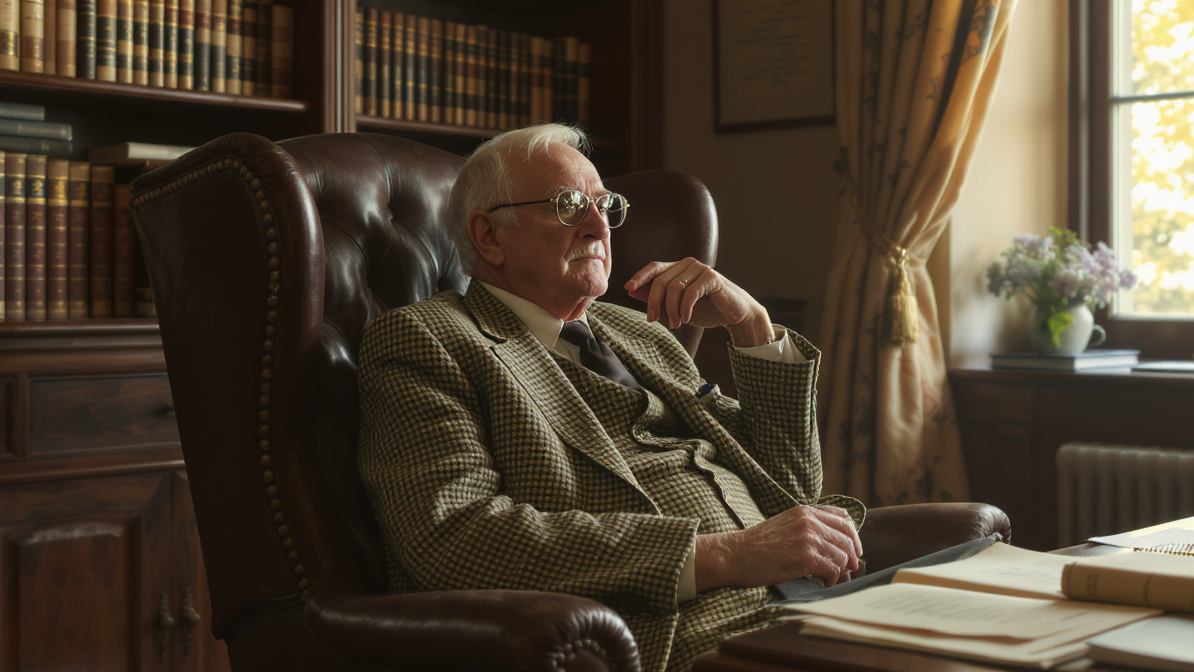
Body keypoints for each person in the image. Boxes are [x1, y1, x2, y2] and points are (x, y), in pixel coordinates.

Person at [357, 123, 867, 671]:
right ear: (489, 237)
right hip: (690, 635)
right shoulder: (429, 338)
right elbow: (455, 537)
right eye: (570, 205)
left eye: (605, 206)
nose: (600, 226)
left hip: (811, 602)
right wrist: (730, 556)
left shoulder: (639, 331)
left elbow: (790, 488)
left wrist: (753, 326)